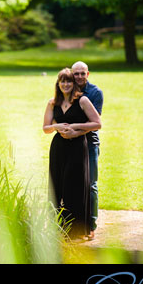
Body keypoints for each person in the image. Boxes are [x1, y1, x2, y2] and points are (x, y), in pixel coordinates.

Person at [43, 67, 102, 239]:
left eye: (69, 81)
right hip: (59, 148)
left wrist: (76, 128)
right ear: (58, 83)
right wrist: (56, 127)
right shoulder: (52, 102)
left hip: (77, 147)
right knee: (57, 186)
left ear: (73, 83)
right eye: (63, 81)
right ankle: (57, 229)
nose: (66, 84)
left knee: (74, 187)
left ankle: (76, 231)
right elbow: (45, 128)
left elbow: (97, 123)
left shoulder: (82, 100)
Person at [70, 61, 103, 240]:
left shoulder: (95, 93)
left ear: (88, 74)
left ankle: (91, 225)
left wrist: (73, 130)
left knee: (90, 185)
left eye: (83, 73)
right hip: (70, 145)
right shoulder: (66, 91)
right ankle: (73, 225)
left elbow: (94, 124)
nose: (80, 77)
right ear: (71, 74)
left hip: (89, 144)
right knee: (72, 186)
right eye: (77, 74)